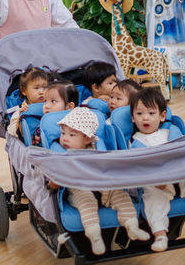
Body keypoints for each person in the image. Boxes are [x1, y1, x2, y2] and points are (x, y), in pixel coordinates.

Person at [130, 89, 185, 252]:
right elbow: (139, 166)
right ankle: (160, 235)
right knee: (152, 201)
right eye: (139, 114)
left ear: (162, 116)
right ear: (133, 118)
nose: (145, 118)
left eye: (151, 113)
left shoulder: (171, 132)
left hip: (180, 176)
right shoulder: (136, 142)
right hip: (157, 182)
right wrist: (154, 179)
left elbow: (184, 143)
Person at [59, 108, 150, 255]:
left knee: (121, 196)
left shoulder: (97, 148)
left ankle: (132, 225)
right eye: (63, 133)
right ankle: (94, 236)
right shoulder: (63, 154)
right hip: (81, 190)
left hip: (103, 187)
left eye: (72, 135)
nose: (65, 138)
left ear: (87, 139)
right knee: (87, 204)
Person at [6, 67, 49, 140]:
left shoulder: (51, 105)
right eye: (36, 88)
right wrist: (19, 117)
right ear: (24, 91)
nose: (41, 91)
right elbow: (11, 133)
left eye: (45, 87)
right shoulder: (21, 110)